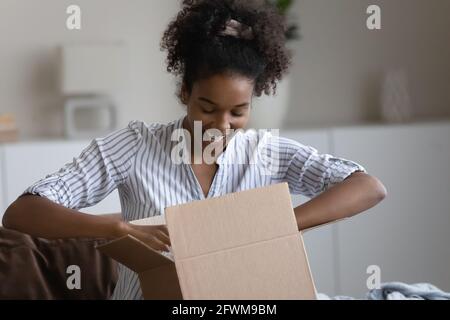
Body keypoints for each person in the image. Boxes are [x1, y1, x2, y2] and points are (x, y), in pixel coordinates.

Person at [3, 0, 387, 300]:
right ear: (185, 92)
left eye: (238, 112)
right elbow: (21, 213)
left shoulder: (266, 151)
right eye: (208, 108)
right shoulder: (135, 146)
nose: (222, 125)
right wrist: (117, 228)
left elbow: (368, 187)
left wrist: (278, 227)